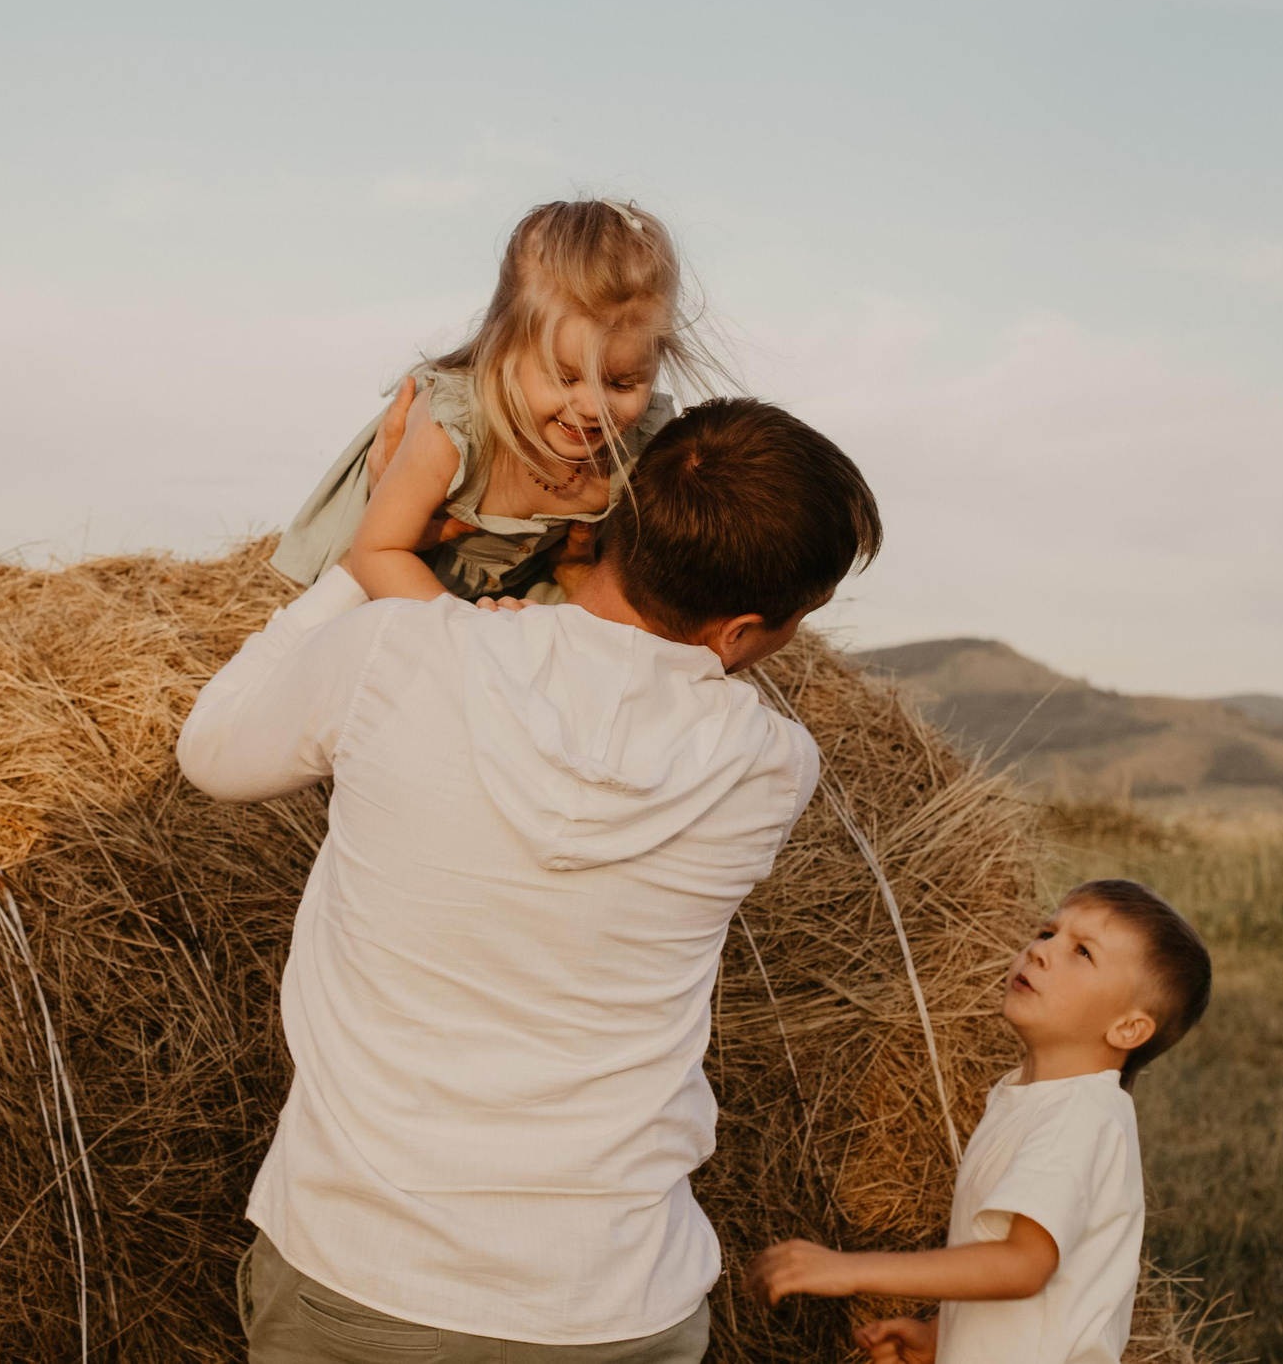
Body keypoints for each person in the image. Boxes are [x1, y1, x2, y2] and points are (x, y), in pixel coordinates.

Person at [180, 397, 883, 1362]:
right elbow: (651, 686)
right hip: (617, 1299)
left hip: (367, 1271)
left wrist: (365, 556)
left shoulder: (400, 651)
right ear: (744, 632)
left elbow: (212, 752)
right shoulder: (771, 766)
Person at [743, 881, 1214, 1364]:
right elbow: (1023, 1277)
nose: (1040, 951)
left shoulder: (1079, 1116)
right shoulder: (1036, 1100)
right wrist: (942, 1337)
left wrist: (849, 1270)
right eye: (1047, 932)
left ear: (1128, 1028)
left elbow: (1023, 1265)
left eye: (1082, 952)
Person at [273, 197, 719, 604]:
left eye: (622, 384)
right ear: (502, 349)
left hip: (523, 591)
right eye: (564, 377)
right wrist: (468, 636)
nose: (592, 407)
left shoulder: (643, 447)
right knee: (319, 640)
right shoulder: (454, 430)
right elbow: (378, 552)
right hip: (398, 580)